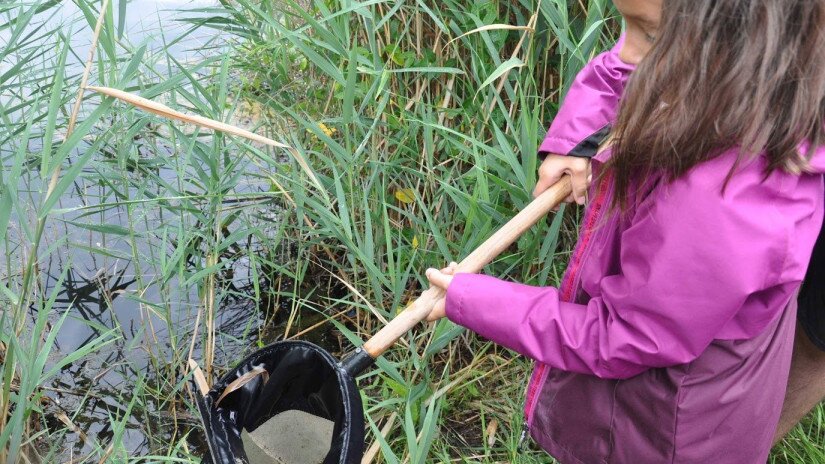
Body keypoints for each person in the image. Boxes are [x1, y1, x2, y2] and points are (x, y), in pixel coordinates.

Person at [425, 0, 825, 462]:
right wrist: (580, 138)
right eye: (625, 25)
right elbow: (625, 62)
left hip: (667, 434)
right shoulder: (751, 80)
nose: (624, 51)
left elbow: (620, 336)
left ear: (740, 42)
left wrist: (473, 300)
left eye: (649, 36)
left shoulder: (722, 206)